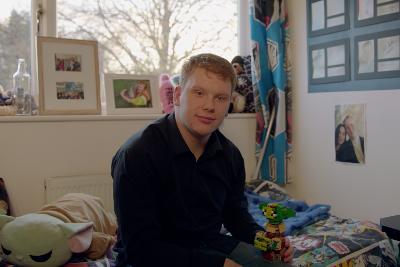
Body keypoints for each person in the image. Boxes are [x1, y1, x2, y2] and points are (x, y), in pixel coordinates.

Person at [111, 53, 293, 267]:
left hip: (208, 244)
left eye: (220, 98)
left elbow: (235, 216)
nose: (210, 106)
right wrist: (217, 265)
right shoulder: (137, 154)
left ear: (229, 105)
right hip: (151, 256)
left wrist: (266, 241)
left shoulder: (230, 155)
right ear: (178, 95)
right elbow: (140, 248)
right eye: (199, 93)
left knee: (279, 264)